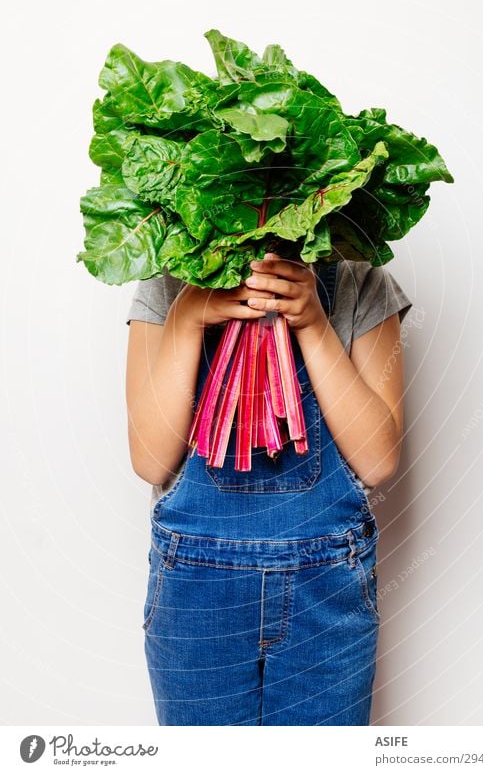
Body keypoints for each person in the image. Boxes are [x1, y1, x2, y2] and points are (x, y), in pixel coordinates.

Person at [125, 253, 412, 726]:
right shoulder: (167, 286)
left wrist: (315, 325)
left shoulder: (361, 284)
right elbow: (150, 460)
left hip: (326, 594)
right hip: (194, 599)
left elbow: (378, 462)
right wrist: (187, 317)